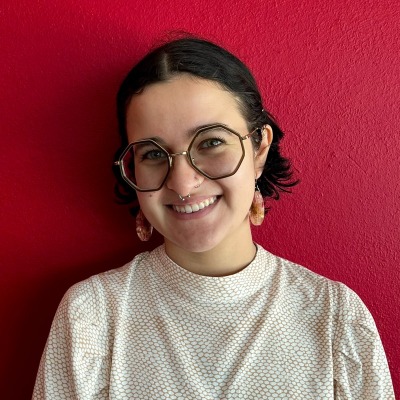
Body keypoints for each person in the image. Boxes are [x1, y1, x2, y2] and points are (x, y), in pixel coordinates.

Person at [33, 36, 394, 399]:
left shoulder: (336, 318)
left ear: (259, 148)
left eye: (210, 143)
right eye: (153, 154)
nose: (182, 183)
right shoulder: (91, 317)